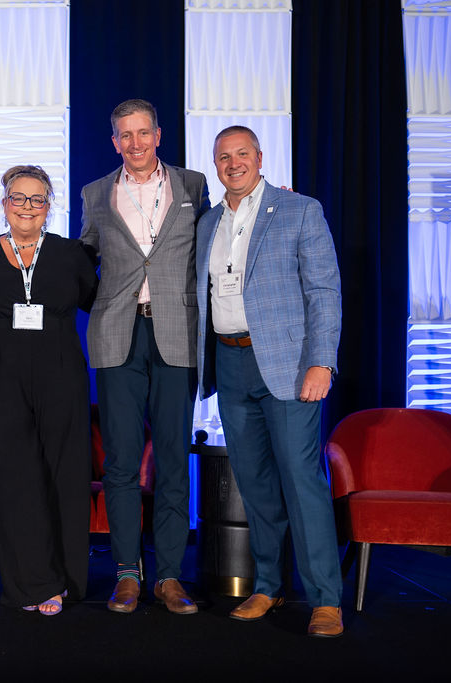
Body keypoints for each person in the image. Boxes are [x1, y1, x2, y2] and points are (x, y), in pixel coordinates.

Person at [196, 125, 344, 637]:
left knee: (302, 482)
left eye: (242, 154)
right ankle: (268, 585)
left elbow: (324, 290)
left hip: (288, 364)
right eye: (224, 157)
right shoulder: (208, 222)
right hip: (230, 363)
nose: (233, 163)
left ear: (260, 158)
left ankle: (326, 599)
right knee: (254, 483)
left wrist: (322, 362)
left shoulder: (300, 210)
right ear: (215, 165)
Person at [79, 100, 210, 614]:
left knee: (174, 457)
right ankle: (127, 574)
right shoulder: (95, 193)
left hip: (177, 330)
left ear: (158, 135)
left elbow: (220, 235)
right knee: (120, 461)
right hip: (117, 333)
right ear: (115, 142)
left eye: (143, 133)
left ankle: (170, 576)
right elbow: (83, 257)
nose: (135, 143)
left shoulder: (193, 185)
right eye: (125, 135)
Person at [0, 165, 97, 615]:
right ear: (4, 204)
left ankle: (67, 577)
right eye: (18, 198)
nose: (27, 207)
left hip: (62, 373)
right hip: (2, 374)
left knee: (65, 474)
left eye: (37, 199)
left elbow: (97, 301)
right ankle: (32, 583)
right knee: (14, 477)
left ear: (49, 206)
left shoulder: (71, 254)